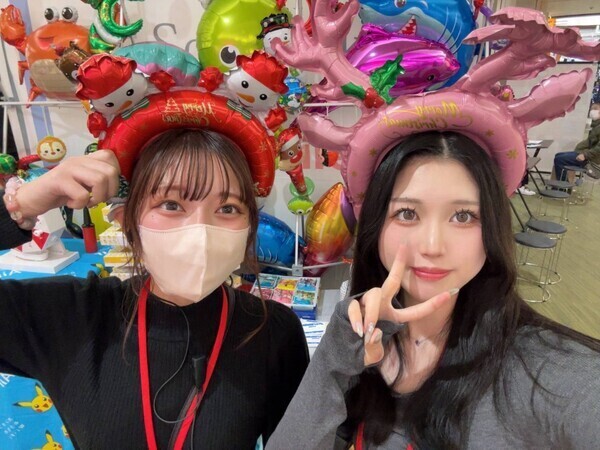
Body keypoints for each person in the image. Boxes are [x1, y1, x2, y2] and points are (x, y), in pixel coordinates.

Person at [267, 131, 600, 449]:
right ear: (376, 226)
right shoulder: (359, 345)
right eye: (407, 213)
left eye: (463, 216)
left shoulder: (546, 370)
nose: (432, 246)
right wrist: (336, 356)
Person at [0, 129, 309, 448]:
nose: (200, 231)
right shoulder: (70, 317)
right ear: (128, 221)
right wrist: (20, 205)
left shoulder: (273, 332)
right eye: (171, 204)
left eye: (228, 208)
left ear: (249, 228)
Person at [553, 103, 600, 181]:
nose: (592, 111)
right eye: (592, 109)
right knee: (558, 155)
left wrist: (585, 155)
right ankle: (563, 184)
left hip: (590, 159)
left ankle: (562, 185)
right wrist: (579, 149)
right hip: (587, 154)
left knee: (559, 159)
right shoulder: (596, 126)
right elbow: (590, 142)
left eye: (595, 109)